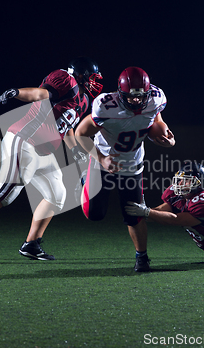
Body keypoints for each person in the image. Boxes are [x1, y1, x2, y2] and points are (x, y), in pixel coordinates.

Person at [0, 57, 103, 264]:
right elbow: (39, 94)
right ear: (80, 74)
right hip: (24, 140)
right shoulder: (66, 80)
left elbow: (66, 126)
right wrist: (17, 93)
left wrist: (75, 151)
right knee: (6, 192)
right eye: (92, 77)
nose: (94, 82)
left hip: (44, 150)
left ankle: (31, 244)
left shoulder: (84, 100)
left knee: (57, 195)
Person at [75, 67, 175, 272]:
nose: (136, 101)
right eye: (131, 97)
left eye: (141, 96)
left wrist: (164, 135)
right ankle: (85, 180)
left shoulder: (156, 99)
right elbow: (79, 134)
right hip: (103, 159)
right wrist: (101, 159)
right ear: (120, 93)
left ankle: (142, 257)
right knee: (94, 214)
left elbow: (157, 119)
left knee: (134, 213)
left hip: (132, 164)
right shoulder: (105, 107)